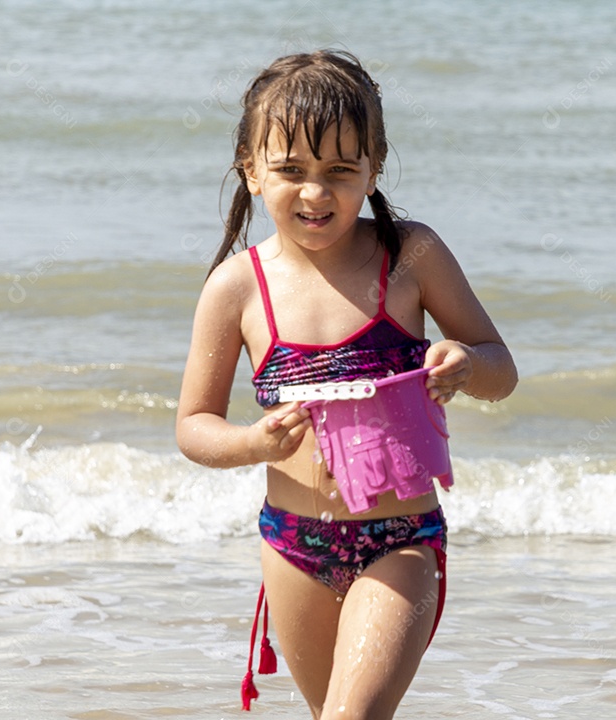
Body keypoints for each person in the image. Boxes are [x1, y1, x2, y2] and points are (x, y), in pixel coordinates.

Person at [176, 49, 517, 719]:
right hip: (295, 544)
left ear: (373, 167)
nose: (315, 192)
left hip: (401, 540)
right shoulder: (238, 288)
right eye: (291, 171)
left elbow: (500, 369)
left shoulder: (411, 256)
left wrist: (468, 365)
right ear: (251, 169)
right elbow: (193, 426)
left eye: (339, 171)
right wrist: (252, 444)